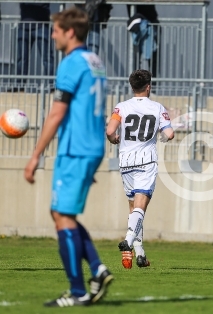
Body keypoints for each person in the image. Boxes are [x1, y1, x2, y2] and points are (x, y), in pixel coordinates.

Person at [24, 7, 113, 307]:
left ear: (70, 32)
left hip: (76, 149)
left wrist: (36, 155)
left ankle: (78, 291)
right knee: (63, 214)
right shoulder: (96, 61)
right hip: (90, 146)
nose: (52, 35)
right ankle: (98, 269)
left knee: (61, 215)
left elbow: (57, 113)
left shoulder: (71, 63)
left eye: (56, 30)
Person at [106, 69, 174, 269]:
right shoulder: (157, 107)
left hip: (126, 161)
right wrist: (164, 134)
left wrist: (114, 138)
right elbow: (169, 134)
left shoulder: (121, 107)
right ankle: (128, 240)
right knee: (140, 208)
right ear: (148, 86)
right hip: (146, 161)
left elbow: (110, 130)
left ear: (131, 86)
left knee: (134, 209)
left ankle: (140, 254)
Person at [13, 3, 54, 91]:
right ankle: (19, 86)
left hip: (42, 25)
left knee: (47, 58)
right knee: (21, 59)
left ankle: (51, 85)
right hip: (24, 24)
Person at [127, 5, 159, 79]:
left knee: (151, 58)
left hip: (149, 22)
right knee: (136, 58)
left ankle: (152, 85)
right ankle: (137, 84)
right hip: (138, 23)